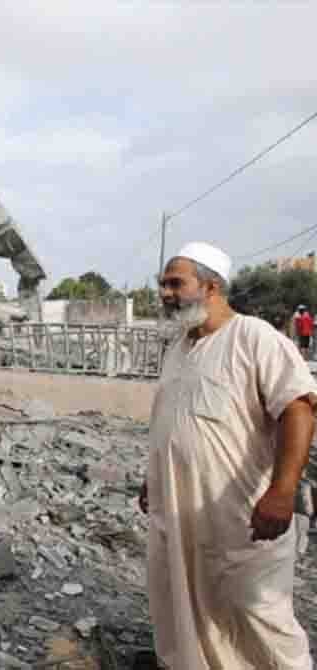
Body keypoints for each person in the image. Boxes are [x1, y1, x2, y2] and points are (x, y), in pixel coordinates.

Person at [139, 241, 317, 669]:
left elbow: (299, 407)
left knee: (255, 614)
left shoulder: (253, 337)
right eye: (162, 284)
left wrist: (282, 491)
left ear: (212, 285)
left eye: (175, 283)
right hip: (181, 513)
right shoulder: (180, 347)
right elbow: (173, 418)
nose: (165, 293)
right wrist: (152, 479)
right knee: (181, 603)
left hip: (241, 516)